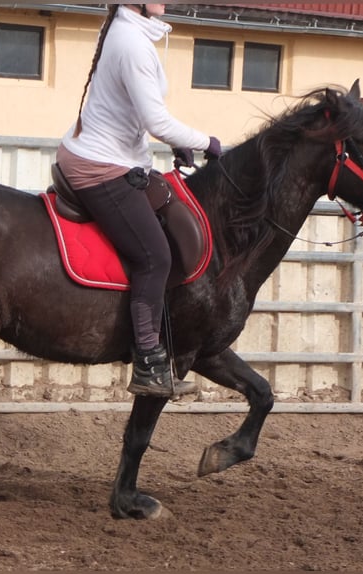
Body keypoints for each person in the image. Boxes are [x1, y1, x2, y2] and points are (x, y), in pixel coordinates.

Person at [55, 4, 222, 398]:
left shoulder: (131, 32)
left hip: (116, 157)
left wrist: (178, 144)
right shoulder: (132, 42)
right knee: (155, 256)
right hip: (98, 166)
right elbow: (156, 121)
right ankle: (148, 360)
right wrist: (206, 142)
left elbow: (133, 117)